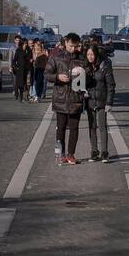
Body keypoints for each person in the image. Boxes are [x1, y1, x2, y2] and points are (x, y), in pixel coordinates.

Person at [45, 33, 86, 165]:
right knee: (60, 128)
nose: (73, 49)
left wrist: (82, 76)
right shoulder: (56, 57)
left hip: (75, 98)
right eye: (71, 46)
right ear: (65, 43)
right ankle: (60, 154)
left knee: (74, 128)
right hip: (61, 99)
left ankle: (71, 155)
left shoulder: (81, 59)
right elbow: (46, 74)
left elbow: (88, 76)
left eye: (76, 46)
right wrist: (58, 77)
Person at [82, 44, 116, 162]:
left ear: (96, 55)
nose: (90, 57)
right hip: (90, 101)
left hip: (102, 101)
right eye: (88, 54)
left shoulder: (104, 66)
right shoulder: (85, 68)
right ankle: (94, 152)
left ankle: (105, 153)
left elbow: (111, 85)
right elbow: (80, 85)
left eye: (92, 54)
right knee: (92, 127)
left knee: (102, 127)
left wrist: (109, 103)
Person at [11, 38, 32, 102]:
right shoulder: (18, 50)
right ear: (22, 43)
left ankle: (25, 96)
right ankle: (18, 96)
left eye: (26, 43)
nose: (25, 45)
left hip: (26, 69)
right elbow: (14, 60)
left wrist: (30, 61)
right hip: (19, 70)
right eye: (24, 43)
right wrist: (15, 67)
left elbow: (30, 58)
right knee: (19, 84)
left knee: (26, 84)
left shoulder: (28, 50)